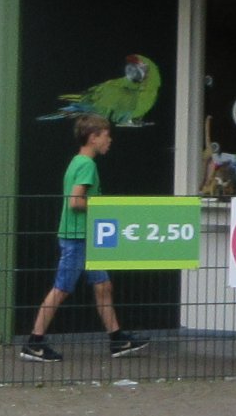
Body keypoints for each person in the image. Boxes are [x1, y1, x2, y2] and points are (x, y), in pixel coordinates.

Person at [19, 115, 146, 362]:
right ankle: (34, 341)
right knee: (62, 288)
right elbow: (76, 201)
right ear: (93, 137)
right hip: (78, 237)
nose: (110, 139)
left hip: (87, 237)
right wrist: (104, 208)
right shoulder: (87, 165)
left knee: (103, 286)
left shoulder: (77, 161)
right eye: (106, 135)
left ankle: (117, 338)